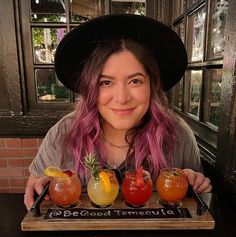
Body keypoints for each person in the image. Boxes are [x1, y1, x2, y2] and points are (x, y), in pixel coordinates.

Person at [24, 14, 212, 210]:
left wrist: (194, 183)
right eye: (106, 82)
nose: (121, 98)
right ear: (91, 88)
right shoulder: (62, 133)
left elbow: (196, 202)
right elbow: (34, 190)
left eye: (135, 81)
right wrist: (40, 190)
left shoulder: (178, 135)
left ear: (152, 85)